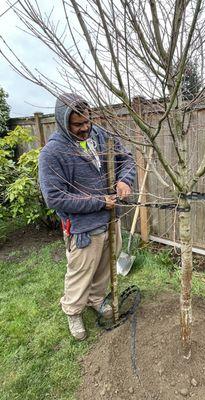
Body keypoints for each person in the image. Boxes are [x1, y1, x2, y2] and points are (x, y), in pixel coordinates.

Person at [38, 93, 136, 340]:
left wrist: (124, 181)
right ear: (63, 122)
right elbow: (55, 198)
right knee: (80, 272)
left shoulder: (101, 136)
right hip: (83, 228)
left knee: (105, 265)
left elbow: (127, 159)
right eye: (77, 124)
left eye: (87, 121)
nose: (85, 128)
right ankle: (73, 311)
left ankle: (96, 299)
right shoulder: (53, 153)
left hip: (111, 219)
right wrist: (98, 202)